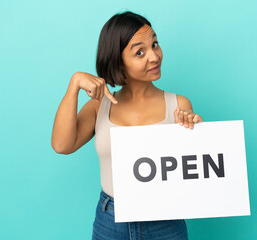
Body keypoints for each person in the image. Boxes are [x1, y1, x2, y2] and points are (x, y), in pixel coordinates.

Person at [51, 11, 203, 240]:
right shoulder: (99, 107)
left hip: (165, 220)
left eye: (155, 44)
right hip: (111, 219)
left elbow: (192, 168)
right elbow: (62, 145)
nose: (154, 56)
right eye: (140, 52)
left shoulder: (178, 105)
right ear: (118, 61)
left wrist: (194, 129)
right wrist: (74, 85)